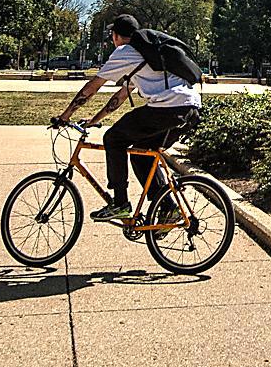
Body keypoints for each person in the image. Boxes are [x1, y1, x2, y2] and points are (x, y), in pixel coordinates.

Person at [51, 14, 203, 222]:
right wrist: (94, 120)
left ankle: (120, 203)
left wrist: (64, 116)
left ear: (116, 36)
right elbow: (120, 97)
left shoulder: (126, 52)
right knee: (141, 154)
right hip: (190, 109)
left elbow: (93, 87)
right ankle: (168, 208)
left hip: (169, 108)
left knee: (113, 138)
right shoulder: (146, 55)